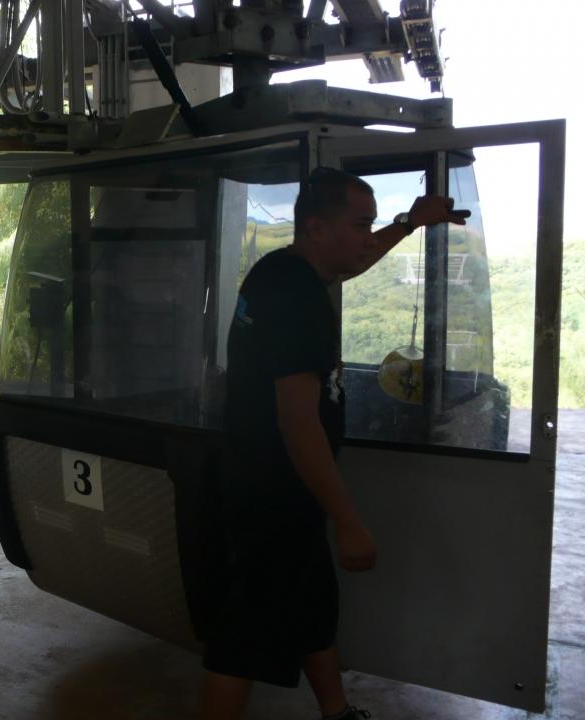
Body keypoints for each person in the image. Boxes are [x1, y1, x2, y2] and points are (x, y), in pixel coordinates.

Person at [201, 167, 470, 720]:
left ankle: (337, 712)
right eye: (361, 224)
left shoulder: (282, 270)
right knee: (243, 639)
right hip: (273, 494)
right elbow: (299, 424)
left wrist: (409, 223)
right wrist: (347, 520)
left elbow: (357, 259)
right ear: (318, 229)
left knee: (312, 605)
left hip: (274, 488)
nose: (368, 236)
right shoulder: (298, 300)